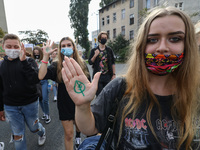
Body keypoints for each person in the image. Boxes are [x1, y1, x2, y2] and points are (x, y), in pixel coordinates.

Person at [61, 7, 200, 149]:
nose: (162, 47)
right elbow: (90, 128)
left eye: (175, 39)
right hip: (100, 79)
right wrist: (83, 106)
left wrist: (113, 73)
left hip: (108, 76)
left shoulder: (196, 96)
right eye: (152, 39)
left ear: (187, 45)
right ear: (142, 46)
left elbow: (112, 62)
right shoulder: (121, 88)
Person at [38, 37, 91, 150]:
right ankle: (74, 137)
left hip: (80, 103)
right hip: (64, 103)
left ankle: (78, 136)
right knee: (68, 134)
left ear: (73, 47)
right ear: (60, 49)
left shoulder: (82, 64)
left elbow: (88, 84)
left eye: (69, 45)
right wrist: (46, 56)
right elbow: (41, 76)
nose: (66, 47)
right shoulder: (57, 65)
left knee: (79, 126)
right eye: (63, 46)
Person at [0, 34, 46, 150]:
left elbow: (35, 79)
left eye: (16, 46)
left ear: (21, 47)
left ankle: (42, 132)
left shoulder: (29, 61)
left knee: (34, 127)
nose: (12, 49)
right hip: (10, 106)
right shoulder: (1, 65)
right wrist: (1, 108)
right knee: (18, 135)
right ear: (3, 46)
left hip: (29, 103)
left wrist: (24, 61)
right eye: (9, 46)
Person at [88, 31, 116, 96]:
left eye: (106, 38)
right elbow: (90, 62)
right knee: (99, 95)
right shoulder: (94, 50)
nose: (104, 39)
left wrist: (114, 74)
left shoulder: (109, 50)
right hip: (98, 77)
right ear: (99, 39)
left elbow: (113, 63)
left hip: (108, 76)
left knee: (108, 94)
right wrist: (95, 55)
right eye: (103, 38)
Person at [32, 46, 51, 124]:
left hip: (44, 82)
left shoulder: (45, 61)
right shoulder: (32, 61)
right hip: (36, 83)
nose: (36, 55)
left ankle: (47, 114)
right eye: (35, 53)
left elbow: (49, 72)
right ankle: (44, 112)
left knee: (45, 99)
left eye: (38, 53)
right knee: (40, 99)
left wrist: (50, 83)